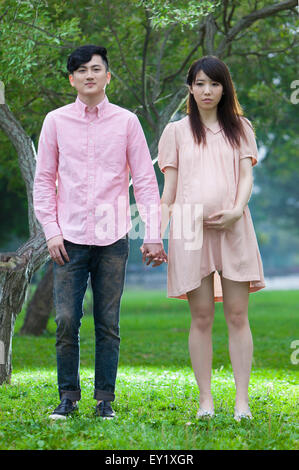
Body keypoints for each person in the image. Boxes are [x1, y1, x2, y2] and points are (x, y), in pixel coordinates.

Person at [33, 44, 166, 420]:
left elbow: (144, 181)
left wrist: (153, 234)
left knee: (108, 323)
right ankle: (67, 397)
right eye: (81, 71)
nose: (89, 76)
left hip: (113, 238)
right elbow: (44, 181)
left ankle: (104, 399)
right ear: (71, 79)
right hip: (68, 239)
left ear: (108, 75)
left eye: (96, 69)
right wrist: (51, 231)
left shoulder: (126, 122)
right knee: (65, 321)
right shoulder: (55, 121)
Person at [155, 56, 266, 422]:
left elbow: (246, 177)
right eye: (200, 83)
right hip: (190, 232)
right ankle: (206, 401)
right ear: (190, 87)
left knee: (237, 314)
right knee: (201, 317)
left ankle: (242, 402)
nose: (207, 91)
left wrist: (236, 209)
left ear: (224, 88)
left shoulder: (241, 127)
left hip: (235, 228)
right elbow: (168, 188)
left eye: (214, 84)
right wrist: (157, 232)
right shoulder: (176, 131)